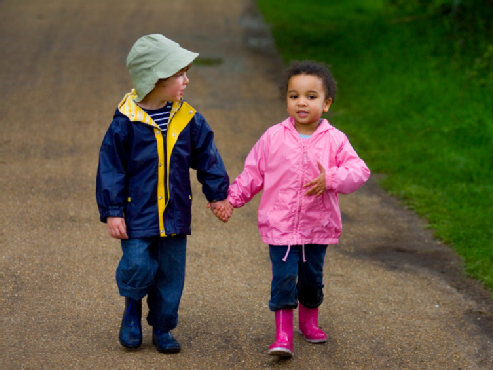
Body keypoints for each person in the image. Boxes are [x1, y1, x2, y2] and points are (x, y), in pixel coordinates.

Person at [217, 60, 370, 357]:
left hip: (318, 226)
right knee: (284, 278)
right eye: (294, 95)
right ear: (286, 99)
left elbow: (359, 171)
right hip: (281, 226)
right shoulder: (273, 137)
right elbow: (253, 174)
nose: (302, 102)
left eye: (311, 97)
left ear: (326, 104)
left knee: (312, 279)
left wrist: (332, 177)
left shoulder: (335, 140)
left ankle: (309, 322)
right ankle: (283, 334)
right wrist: (231, 199)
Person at [96, 34, 232, 354]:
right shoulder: (125, 123)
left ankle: (162, 327)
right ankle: (132, 310)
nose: (187, 80)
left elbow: (208, 158)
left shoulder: (188, 119)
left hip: (174, 214)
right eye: (179, 74)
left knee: (171, 275)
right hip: (136, 213)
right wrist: (113, 211)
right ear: (155, 79)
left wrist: (218, 194)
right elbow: (110, 169)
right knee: (137, 264)